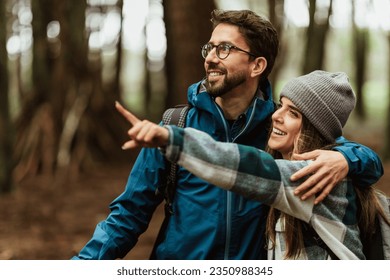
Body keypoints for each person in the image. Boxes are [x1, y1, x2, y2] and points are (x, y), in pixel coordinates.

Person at [72, 10, 383, 260]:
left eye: (225, 49)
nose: (210, 57)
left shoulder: (280, 131)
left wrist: (346, 158)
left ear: (257, 65)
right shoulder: (173, 125)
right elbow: (127, 215)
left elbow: (361, 160)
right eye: (209, 47)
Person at [117, 70, 389, 259]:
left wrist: (171, 138)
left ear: (314, 130)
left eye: (292, 113)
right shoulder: (327, 166)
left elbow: (244, 167)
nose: (276, 116)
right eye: (281, 105)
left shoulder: (314, 178)